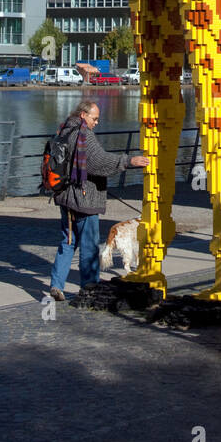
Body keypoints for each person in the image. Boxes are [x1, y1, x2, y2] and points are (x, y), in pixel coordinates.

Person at [45, 101, 148, 302]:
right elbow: (98, 162)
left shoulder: (64, 129)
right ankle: (89, 288)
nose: (97, 122)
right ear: (83, 115)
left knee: (67, 242)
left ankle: (57, 284)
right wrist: (128, 161)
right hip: (85, 199)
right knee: (89, 245)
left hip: (65, 196)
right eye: (95, 118)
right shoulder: (84, 135)